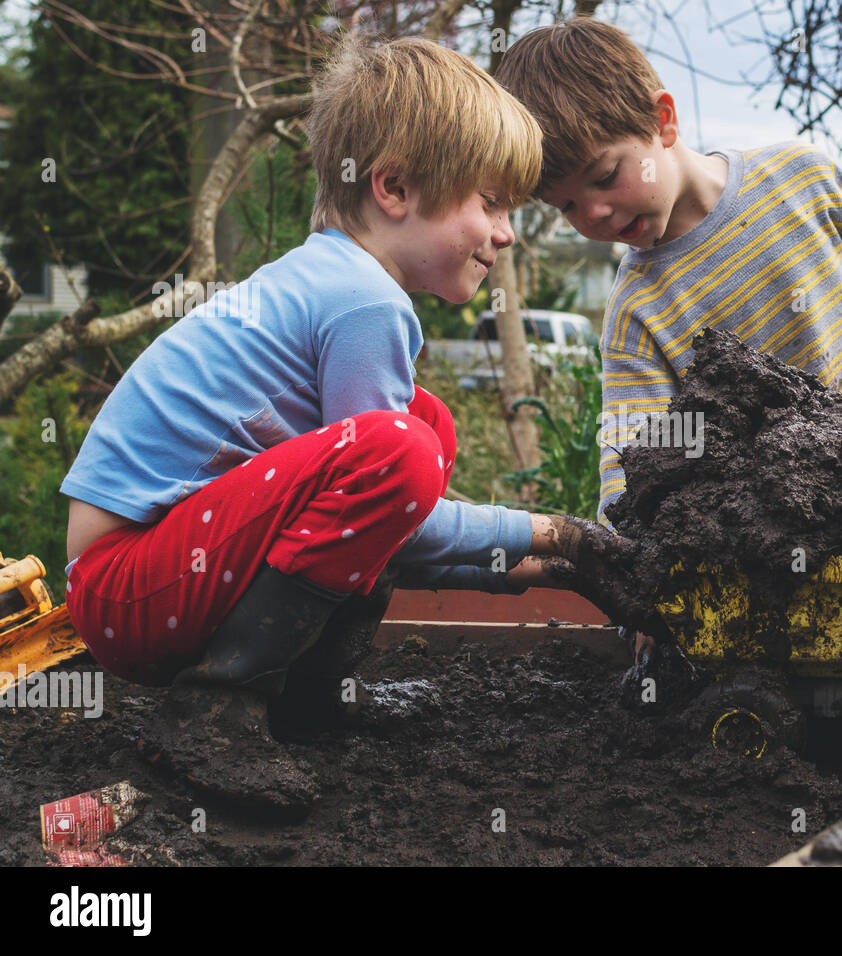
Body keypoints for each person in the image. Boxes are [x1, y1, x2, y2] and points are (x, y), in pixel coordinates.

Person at [59, 33, 625, 812]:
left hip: (148, 582)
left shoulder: (329, 278)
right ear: (392, 187)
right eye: (489, 203)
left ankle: (306, 699)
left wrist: (546, 569)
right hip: (127, 589)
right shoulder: (363, 301)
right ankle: (216, 714)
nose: (506, 233)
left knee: (422, 427)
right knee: (401, 454)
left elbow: (382, 534)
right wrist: (556, 538)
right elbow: (408, 518)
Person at [495, 17, 842, 663]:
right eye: (566, 207)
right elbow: (632, 440)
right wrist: (632, 555)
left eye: (604, 177)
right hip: (808, 532)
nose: (596, 216)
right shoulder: (639, 308)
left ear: (663, 121)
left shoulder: (801, 179)